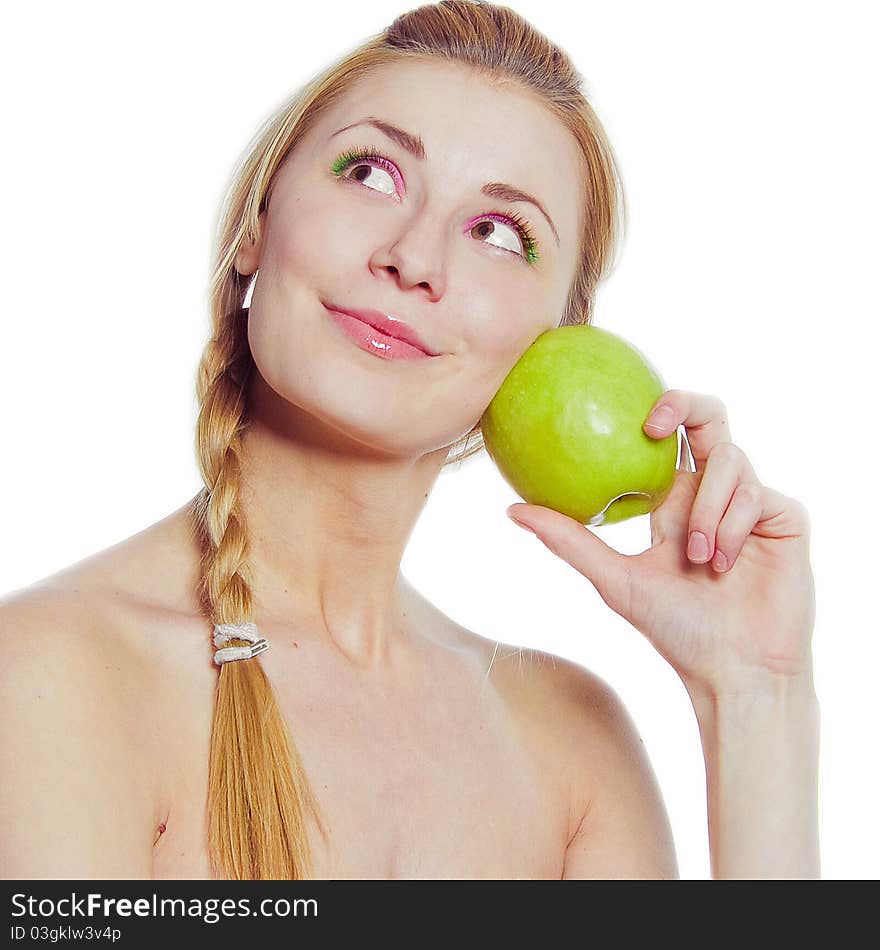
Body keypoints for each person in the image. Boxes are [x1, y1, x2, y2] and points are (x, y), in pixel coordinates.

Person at [0, 0, 819, 880]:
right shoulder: (51, 676)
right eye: (372, 174)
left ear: (558, 344)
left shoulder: (575, 747)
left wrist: (756, 695)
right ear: (257, 225)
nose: (414, 258)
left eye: (498, 233)